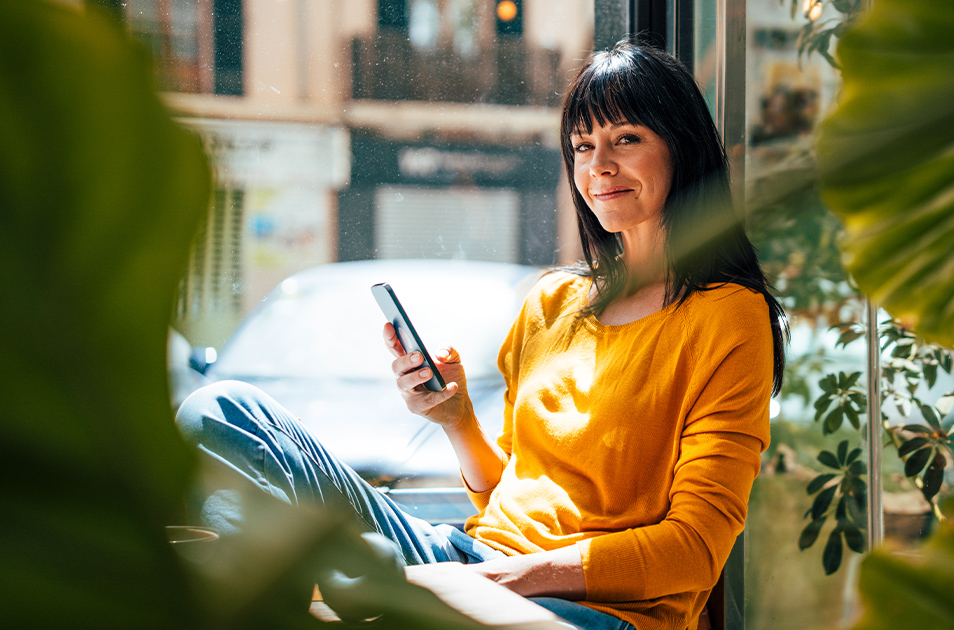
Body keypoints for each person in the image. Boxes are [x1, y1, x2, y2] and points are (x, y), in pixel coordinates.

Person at [176, 39, 786, 630]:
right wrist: (457, 418)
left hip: (596, 610)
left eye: (627, 138)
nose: (599, 166)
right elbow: (507, 496)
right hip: (472, 560)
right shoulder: (554, 302)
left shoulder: (727, 316)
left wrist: (487, 583)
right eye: (581, 145)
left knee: (366, 586)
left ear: (682, 149)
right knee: (222, 411)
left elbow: (693, 552)